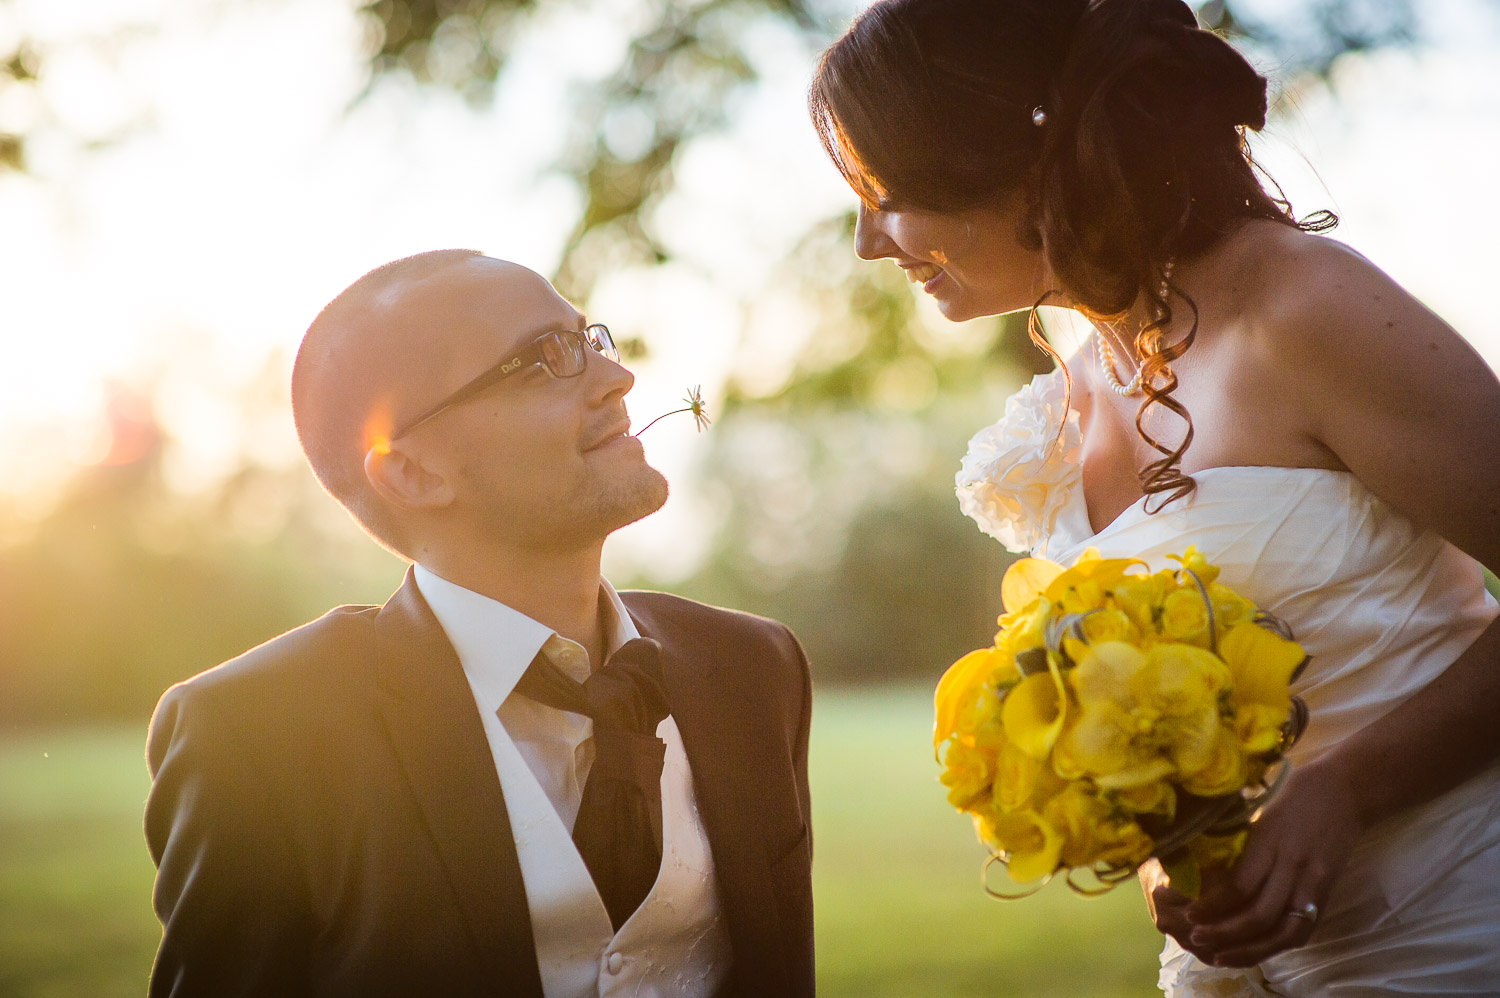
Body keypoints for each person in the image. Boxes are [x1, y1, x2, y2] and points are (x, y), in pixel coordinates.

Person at [809, 0, 1500, 993]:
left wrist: (1347, 789)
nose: (872, 242)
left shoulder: (1300, 308)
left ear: (1009, 160)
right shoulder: (1070, 403)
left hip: (1454, 932)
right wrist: (1156, 840)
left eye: (886, 194)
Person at [143, 250, 815, 997]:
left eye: (589, 339)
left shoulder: (756, 668)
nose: (617, 378)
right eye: (540, 359)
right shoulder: (256, 738)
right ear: (411, 472)